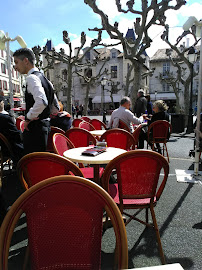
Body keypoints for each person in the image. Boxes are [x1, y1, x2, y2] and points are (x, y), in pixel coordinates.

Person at [13, 48, 54, 155]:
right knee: (40, 163)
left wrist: (29, 117)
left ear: (26, 61)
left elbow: (42, 101)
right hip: (45, 128)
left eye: (16, 62)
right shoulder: (46, 80)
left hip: (35, 130)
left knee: (32, 165)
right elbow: (55, 108)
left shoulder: (31, 78)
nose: (15, 67)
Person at [0, 96, 24, 164]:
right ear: (2, 104)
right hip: (13, 148)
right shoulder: (5, 118)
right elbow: (16, 135)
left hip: (3, 147)